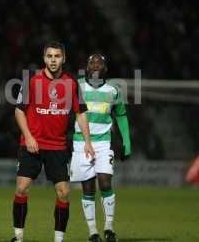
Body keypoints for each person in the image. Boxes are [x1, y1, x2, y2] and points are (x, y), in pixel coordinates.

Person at [11, 42, 95, 242]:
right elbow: (19, 111)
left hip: (57, 146)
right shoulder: (31, 81)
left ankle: (58, 240)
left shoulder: (71, 84)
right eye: (50, 56)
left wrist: (88, 142)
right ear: (44, 58)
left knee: (64, 193)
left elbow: (81, 114)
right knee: (22, 187)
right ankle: (18, 237)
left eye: (57, 56)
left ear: (63, 58)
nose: (53, 60)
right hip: (32, 144)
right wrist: (29, 136)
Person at [70, 54, 131, 242]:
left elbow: (121, 115)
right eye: (92, 62)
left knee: (105, 183)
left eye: (100, 62)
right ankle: (92, 231)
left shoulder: (114, 90)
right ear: (86, 67)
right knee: (88, 188)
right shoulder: (76, 86)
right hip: (81, 143)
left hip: (104, 143)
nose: (95, 65)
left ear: (105, 68)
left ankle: (109, 228)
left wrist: (126, 142)